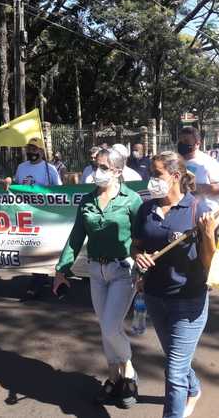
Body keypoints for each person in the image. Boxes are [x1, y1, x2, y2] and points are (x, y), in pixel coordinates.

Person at [53, 148, 142, 408]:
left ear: (117, 170)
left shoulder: (132, 200)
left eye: (103, 167)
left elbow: (141, 239)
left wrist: (145, 270)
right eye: (95, 166)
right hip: (96, 271)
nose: (97, 172)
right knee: (105, 326)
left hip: (122, 271)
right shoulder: (87, 200)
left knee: (110, 326)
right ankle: (114, 378)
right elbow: (76, 237)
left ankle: (129, 371)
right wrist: (62, 270)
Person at [132, 151, 217, 418]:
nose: (151, 181)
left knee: (174, 370)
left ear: (176, 176)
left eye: (157, 175)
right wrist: (139, 258)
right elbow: (137, 246)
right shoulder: (146, 208)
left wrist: (208, 235)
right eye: (150, 175)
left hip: (189, 302)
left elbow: (208, 263)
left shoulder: (198, 210)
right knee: (175, 359)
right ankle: (194, 388)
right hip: (156, 298)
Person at [13, 137, 62, 299]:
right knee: (31, 246)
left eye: (34, 149)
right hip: (25, 215)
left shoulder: (50, 169)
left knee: (41, 245)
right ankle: (40, 276)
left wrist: (48, 191)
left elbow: (60, 192)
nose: (31, 152)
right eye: (29, 149)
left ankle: (37, 281)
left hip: (44, 215)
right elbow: (15, 186)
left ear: (41, 151)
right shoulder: (21, 167)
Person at [177, 126, 219, 212]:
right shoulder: (176, 162)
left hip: (204, 215)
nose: (182, 144)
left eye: (186, 141)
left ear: (197, 144)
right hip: (182, 215)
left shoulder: (208, 162)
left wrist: (197, 188)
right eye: (181, 141)